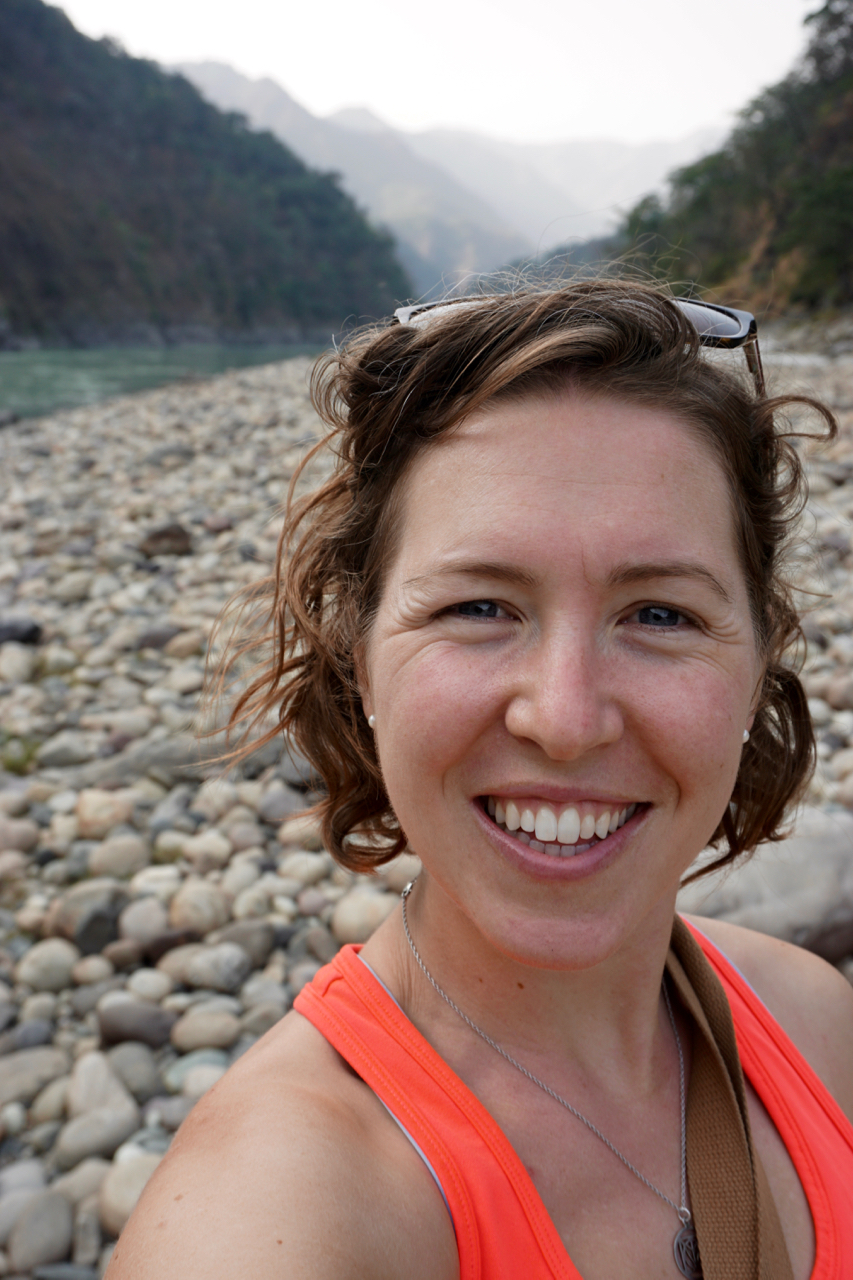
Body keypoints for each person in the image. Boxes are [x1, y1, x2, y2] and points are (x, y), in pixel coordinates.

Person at [106, 281, 853, 1280]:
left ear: (758, 661)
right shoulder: (277, 1218)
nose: (566, 719)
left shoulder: (812, 1023)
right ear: (358, 658)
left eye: (660, 614)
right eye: (479, 607)